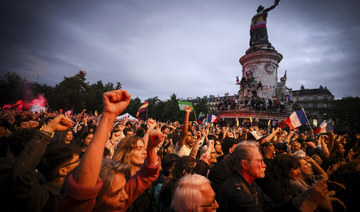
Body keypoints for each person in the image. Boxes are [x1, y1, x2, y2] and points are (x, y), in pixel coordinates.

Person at [57, 89, 163, 212]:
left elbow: (149, 173)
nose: (125, 196)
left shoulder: (120, 198)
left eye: (123, 189)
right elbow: (82, 189)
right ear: (94, 197)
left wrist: (151, 149)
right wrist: (108, 117)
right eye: (116, 193)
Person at [217, 141, 329, 212]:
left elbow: (271, 207)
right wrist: (307, 205)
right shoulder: (236, 193)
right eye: (260, 161)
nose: (264, 165)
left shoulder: (251, 183)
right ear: (245, 165)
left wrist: (301, 198)